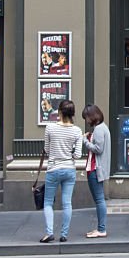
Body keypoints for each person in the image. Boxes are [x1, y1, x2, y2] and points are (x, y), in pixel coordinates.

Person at [40, 100, 83, 243]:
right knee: (67, 203)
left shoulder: (50, 128)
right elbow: (77, 155)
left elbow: (46, 149)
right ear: (73, 114)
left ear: (59, 112)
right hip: (69, 169)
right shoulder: (77, 131)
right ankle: (64, 234)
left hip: (53, 168)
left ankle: (49, 232)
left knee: (47, 202)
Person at [82, 104, 111, 238]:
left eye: (87, 117)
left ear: (92, 116)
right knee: (99, 199)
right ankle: (100, 228)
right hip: (98, 167)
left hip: (95, 168)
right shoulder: (103, 128)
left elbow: (98, 149)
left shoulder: (99, 129)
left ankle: (101, 229)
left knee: (99, 199)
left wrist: (85, 141)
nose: (86, 121)